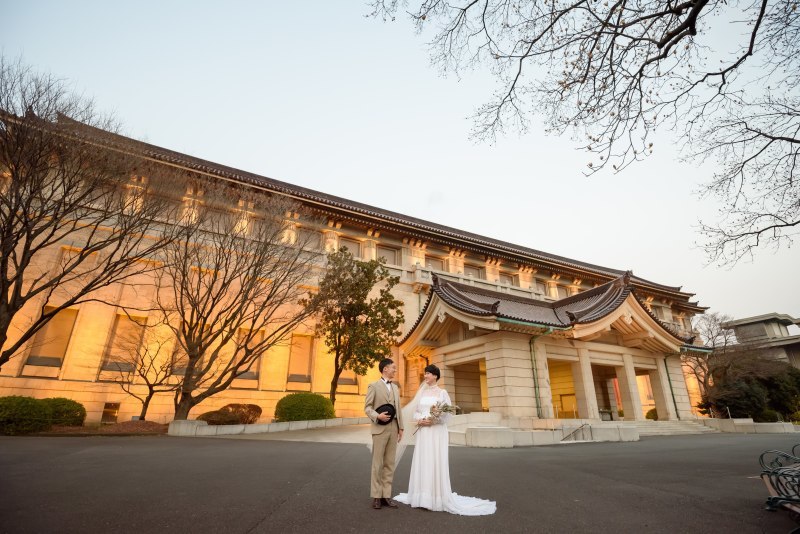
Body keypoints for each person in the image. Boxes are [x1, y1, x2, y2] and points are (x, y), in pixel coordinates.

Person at [394, 364, 496, 515]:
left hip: (436, 432)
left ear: (435, 376)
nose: (426, 376)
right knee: (424, 460)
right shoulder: (421, 392)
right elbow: (415, 412)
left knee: (435, 461)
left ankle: (436, 497)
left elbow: (447, 415)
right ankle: (420, 497)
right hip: (424, 432)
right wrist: (421, 419)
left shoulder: (442, 393)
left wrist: (433, 420)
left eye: (428, 374)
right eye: (425, 374)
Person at [364, 358, 404, 510]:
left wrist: (401, 428)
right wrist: (377, 416)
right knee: (377, 463)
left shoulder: (395, 387)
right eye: (393, 367)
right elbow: (367, 408)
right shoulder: (373, 386)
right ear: (385, 369)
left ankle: (386, 495)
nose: (395, 370)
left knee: (389, 463)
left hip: (393, 428)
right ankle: (376, 496)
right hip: (379, 428)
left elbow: (399, 409)